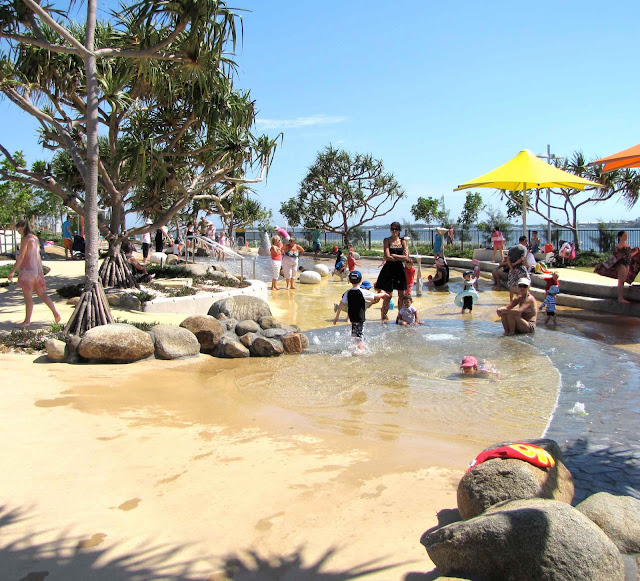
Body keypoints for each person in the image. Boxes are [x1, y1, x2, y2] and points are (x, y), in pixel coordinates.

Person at [8, 219, 62, 328]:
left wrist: (12, 271)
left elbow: (21, 256)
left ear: (22, 227)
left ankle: (27, 321)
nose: (18, 231)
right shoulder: (35, 238)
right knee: (42, 294)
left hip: (27, 271)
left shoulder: (26, 239)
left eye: (18, 229)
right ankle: (56, 313)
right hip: (36, 271)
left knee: (28, 297)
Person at [333, 270, 389, 349]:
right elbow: (375, 296)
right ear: (361, 280)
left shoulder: (347, 292)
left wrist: (336, 317)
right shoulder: (363, 292)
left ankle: (354, 348)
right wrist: (384, 294)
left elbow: (341, 304)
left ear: (349, 280)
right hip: (360, 318)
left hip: (352, 317)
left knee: (354, 334)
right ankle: (360, 351)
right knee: (360, 337)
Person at [375, 221, 409, 322]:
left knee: (401, 294)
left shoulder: (403, 241)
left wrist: (394, 255)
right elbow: (387, 257)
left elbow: (406, 258)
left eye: (396, 229)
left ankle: (400, 316)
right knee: (388, 295)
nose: (394, 231)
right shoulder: (387, 240)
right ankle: (383, 316)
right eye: (392, 229)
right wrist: (399, 257)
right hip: (389, 270)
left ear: (399, 230)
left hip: (399, 270)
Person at [594, 230, 640, 304]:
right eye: (624, 235)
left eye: (626, 235)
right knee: (621, 281)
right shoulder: (618, 246)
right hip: (621, 264)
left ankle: (621, 297)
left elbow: (629, 255)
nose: (626, 237)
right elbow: (615, 257)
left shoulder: (627, 245)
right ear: (620, 237)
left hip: (627, 263)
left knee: (624, 280)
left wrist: (635, 252)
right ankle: (620, 298)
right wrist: (603, 266)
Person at [507, 236, 530, 300]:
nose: (526, 243)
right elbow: (522, 258)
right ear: (524, 241)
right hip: (520, 268)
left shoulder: (512, 248)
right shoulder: (524, 248)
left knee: (512, 285)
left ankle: (511, 301)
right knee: (527, 282)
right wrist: (515, 263)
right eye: (526, 242)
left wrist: (511, 267)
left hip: (512, 270)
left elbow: (508, 259)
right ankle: (522, 299)